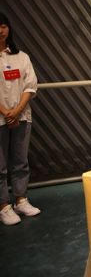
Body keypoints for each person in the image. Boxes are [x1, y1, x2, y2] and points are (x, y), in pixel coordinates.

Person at [0, 13, 40, 226]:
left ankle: (21, 200)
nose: (0, 31)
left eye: (3, 26)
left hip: (22, 116)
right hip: (1, 118)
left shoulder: (21, 57)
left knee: (20, 161)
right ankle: (3, 206)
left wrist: (16, 111)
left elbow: (30, 85)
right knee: (0, 166)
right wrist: (6, 112)